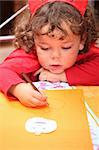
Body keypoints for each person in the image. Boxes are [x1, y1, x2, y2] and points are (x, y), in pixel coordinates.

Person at [0, 0, 99, 108]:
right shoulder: (30, 54)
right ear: (33, 39)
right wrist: (18, 89)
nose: (55, 56)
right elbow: (3, 71)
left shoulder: (87, 52)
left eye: (66, 47)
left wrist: (63, 76)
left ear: (82, 41)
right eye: (45, 48)